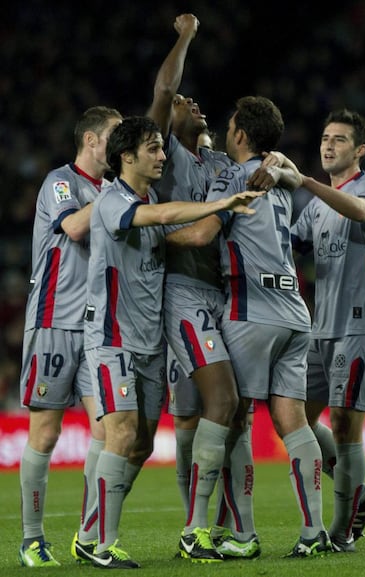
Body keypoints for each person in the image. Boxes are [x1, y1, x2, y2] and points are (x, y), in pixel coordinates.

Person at [74, 115, 264, 569]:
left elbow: (181, 228)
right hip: (111, 337)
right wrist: (222, 202)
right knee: (120, 434)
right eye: (154, 149)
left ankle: (85, 535)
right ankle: (103, 544)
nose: (163, 156)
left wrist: (221, 211)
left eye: (162, 148)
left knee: (139, 444)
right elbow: (160, 216)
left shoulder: (149, 197)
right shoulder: (112, 200)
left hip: (150, 343)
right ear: (127, 157)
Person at [166, 95, 333, 559]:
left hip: (250, 306)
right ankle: (313, 531)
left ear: (239, 135)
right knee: (292, 423)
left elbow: (200, 235)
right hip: (295, 310)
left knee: (232, 415)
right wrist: (279, 161)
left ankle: (242, 535)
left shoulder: (233, 176)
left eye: (232, 124)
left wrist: (147, 231)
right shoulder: (279, 180)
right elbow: (283, 169)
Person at [147, 13, 282, 562]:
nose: (192, 104)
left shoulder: (221, 162)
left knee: (228, 411)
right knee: (212, 406)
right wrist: (186, 36)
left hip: (223, 299)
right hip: (183, 294)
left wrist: (273, 162)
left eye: (196, 105)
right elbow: (163, 89)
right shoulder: (168, 157)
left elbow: (262, 164)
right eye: (187, 104)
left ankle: (219, 525)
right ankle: (194, 526)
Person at [18, 106, 123, 567]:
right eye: (115, 138)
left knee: (108, 428)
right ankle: (32, 539)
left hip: (97, 325)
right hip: (54, 319)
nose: (121, 148)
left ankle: (88, 535)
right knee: (46, 429)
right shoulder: (60, 182)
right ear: (92, 141)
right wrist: (120, 191)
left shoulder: (110, 192)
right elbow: (75, 227)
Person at [290, 108, 365, 551]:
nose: (328, 145)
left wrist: (305, 182)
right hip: (319, 329)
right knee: (295, 417)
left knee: (347, 424)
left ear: (360, 150)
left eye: (340, 139)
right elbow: (287, 245)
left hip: (363, 324)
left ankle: (342, 531)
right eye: (325, 138)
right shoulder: (314, 208)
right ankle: (362, 496)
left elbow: (360, 211)